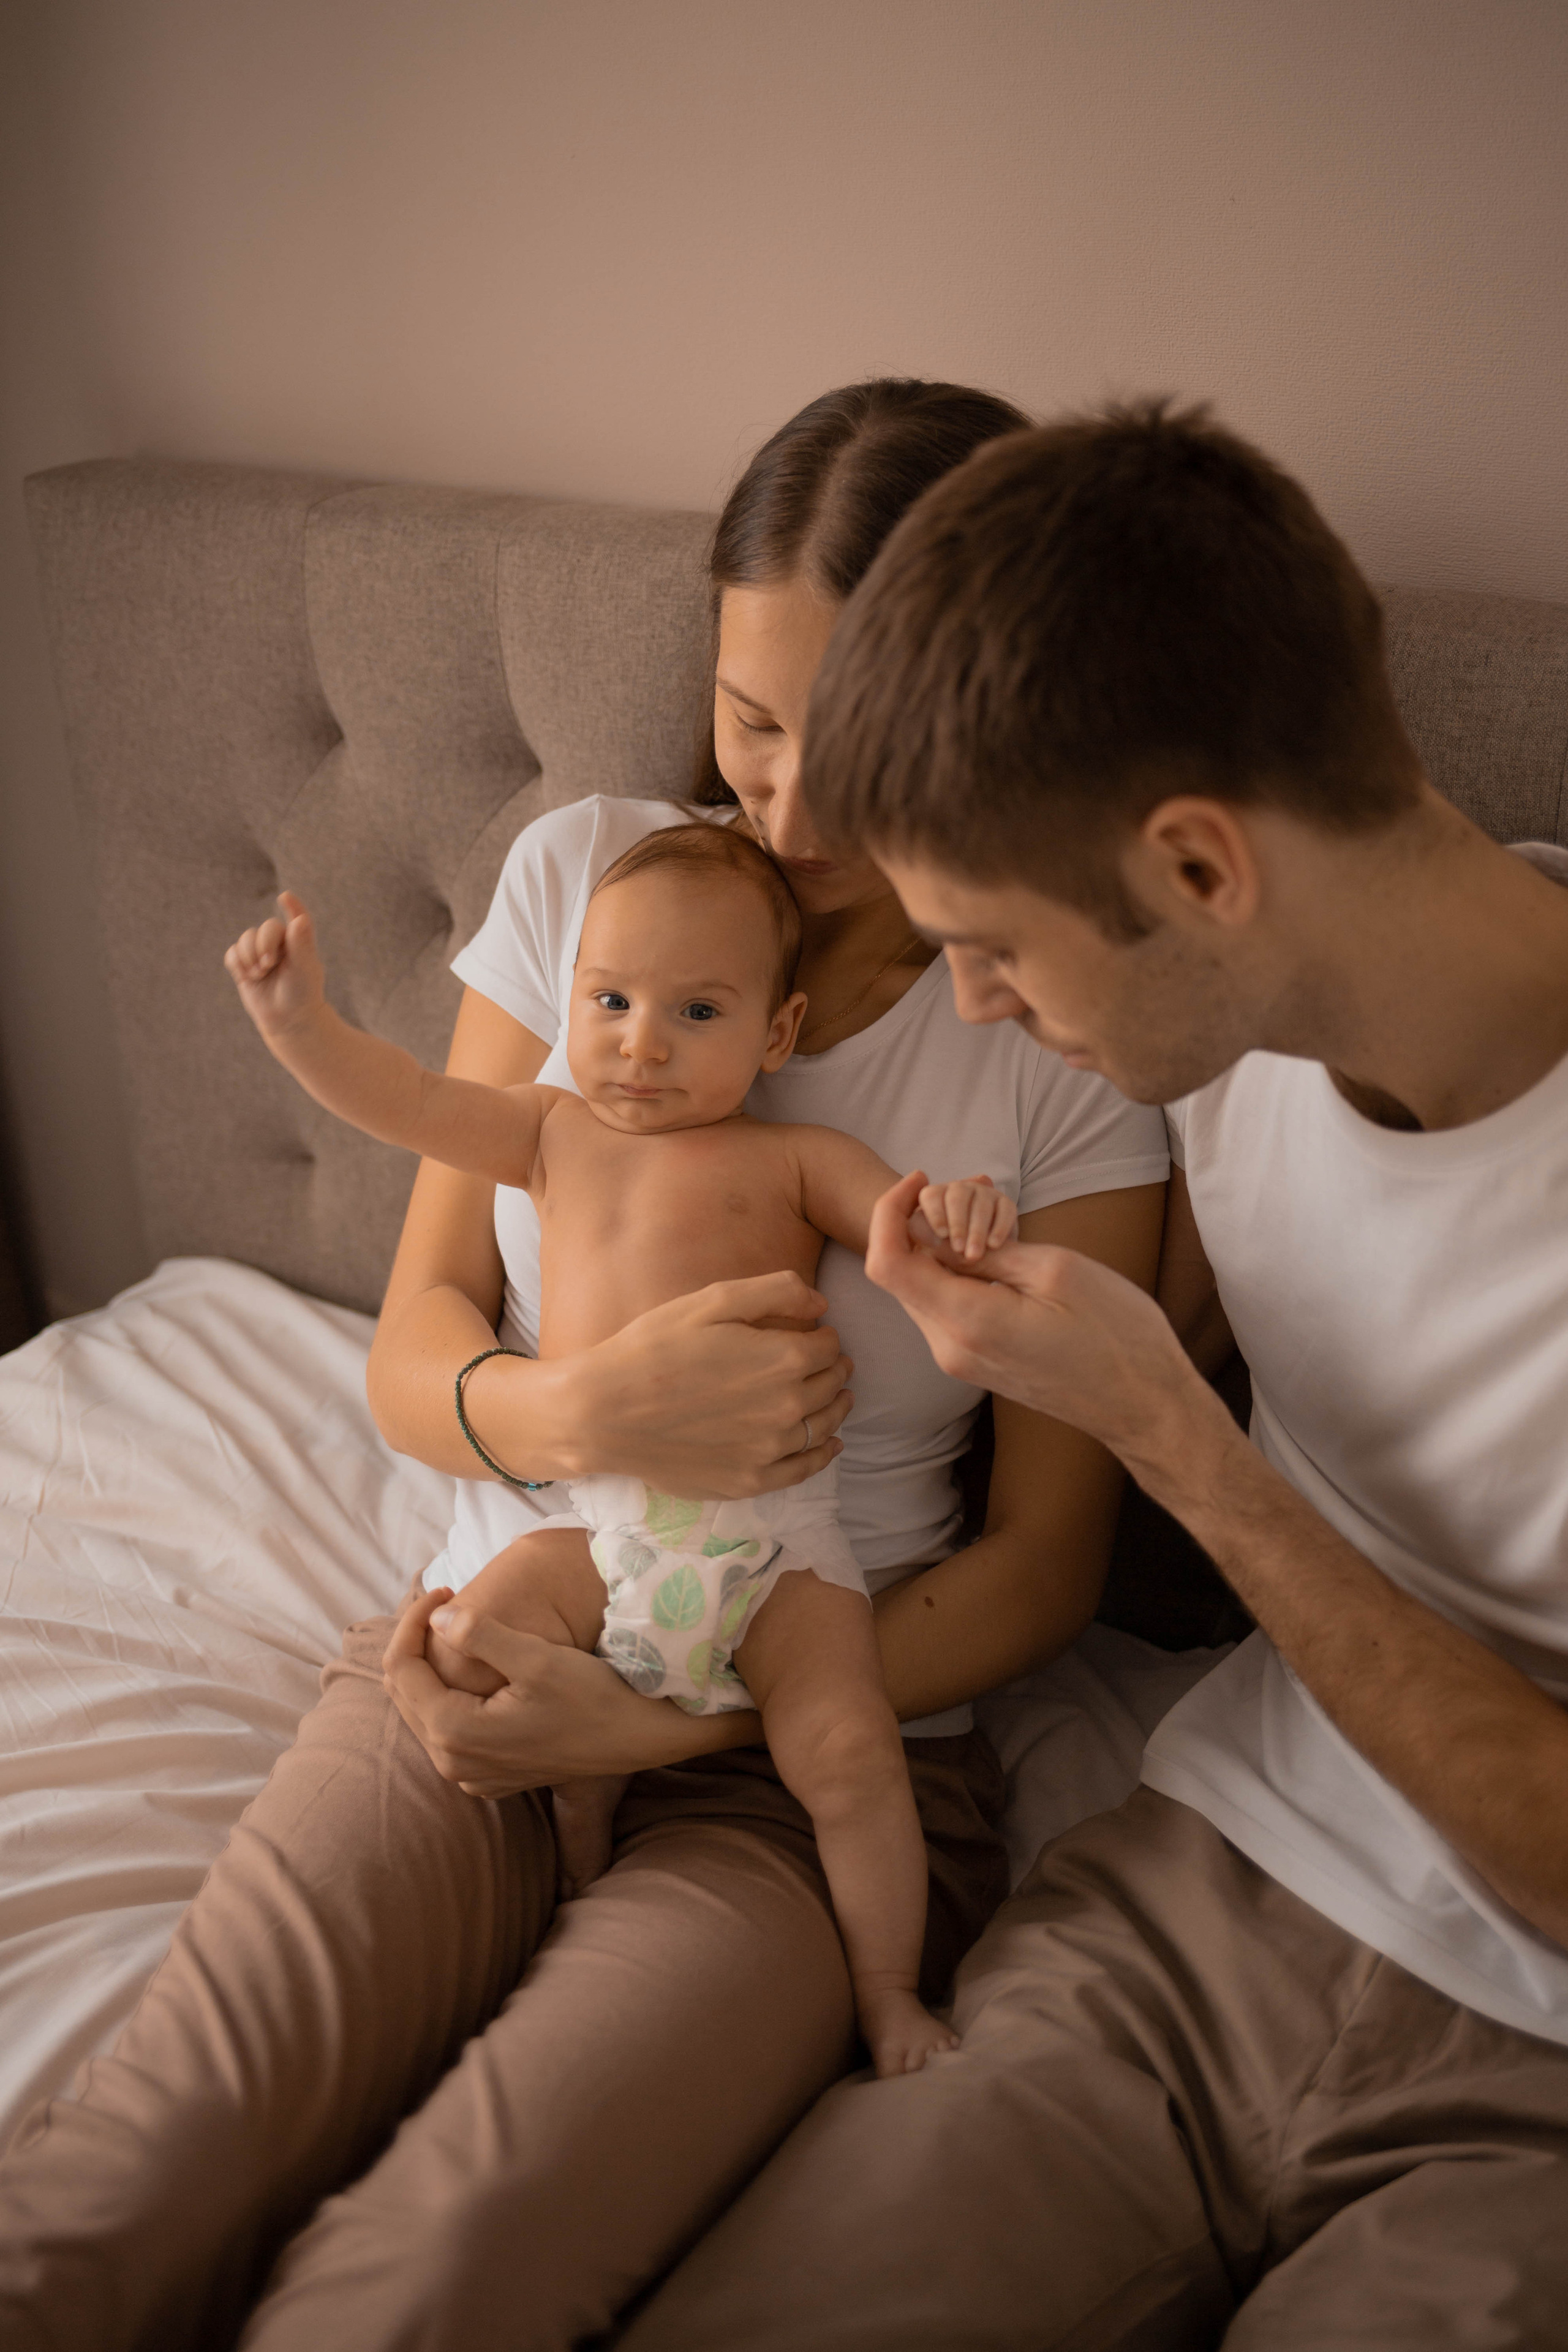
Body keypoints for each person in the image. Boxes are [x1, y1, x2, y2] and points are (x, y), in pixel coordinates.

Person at [0, 381, 1168, 2351]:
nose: (788, 808)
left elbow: (1050, 1567)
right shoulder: (585, 887)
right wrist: (574, 1418)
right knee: (124, 2187)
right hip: (491, 1637)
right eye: (754, 720)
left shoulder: (1049, 1030)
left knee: (438, 2274)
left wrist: (680, 1731)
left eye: (861, 741)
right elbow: (420, 1337)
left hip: (816, 1749)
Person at [616, 401, 1568, 2350]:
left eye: (993, 948)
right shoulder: (1226, 1052)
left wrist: (1175, 1438)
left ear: (1202, 870)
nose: (972, 1007)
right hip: (1190, 1903)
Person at [224, 823, 1018, 2073]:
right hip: (588, 1540)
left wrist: (960, 1218)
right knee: (462, 1644)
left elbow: (903, 1231)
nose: (639, 1041)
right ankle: (573, 1856)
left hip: (776, 1557)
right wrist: (299, 1028)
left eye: (694, 1011)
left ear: (774, 1033)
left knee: (851, 1756)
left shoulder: (791, 1159)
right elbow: (411, 1101)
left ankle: (885, 1996)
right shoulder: (546, 1132)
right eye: (608, 1000)